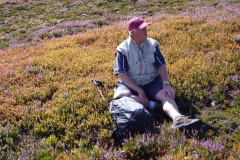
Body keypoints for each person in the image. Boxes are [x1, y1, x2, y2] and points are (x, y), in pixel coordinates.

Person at [113, 17, 200, 129]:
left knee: (166, 94)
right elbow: (123, 75)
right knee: (119, 98)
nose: (145, 31)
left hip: (152, 81)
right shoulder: (122, 49)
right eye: (141, 29)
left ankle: (178, 118)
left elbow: (161, 65)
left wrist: (165, 84)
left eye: (145, 28)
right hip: (132, 84)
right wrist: (140, 91)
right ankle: (152, 104)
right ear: (133, 33)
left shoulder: (153, 44)